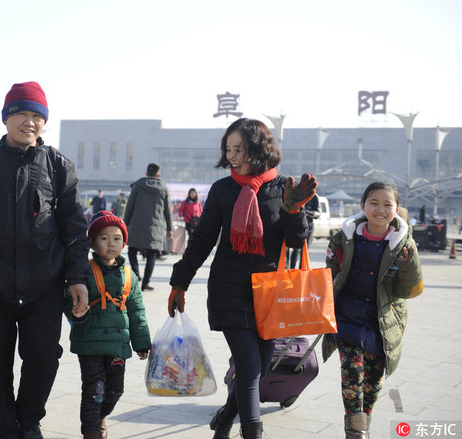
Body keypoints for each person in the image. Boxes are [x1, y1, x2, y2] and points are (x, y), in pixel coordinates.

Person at [0, 81, 90, 439]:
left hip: (44, 284)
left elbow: (74, 229)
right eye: (21, 114)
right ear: (6, 118)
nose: (29, 121)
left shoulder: (59, 167)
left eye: (37, 115)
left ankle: (29, 423)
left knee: (43, 358)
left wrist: (78, 278)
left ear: (44, 122)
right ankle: (6, 431)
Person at [167, 118, 315, 439]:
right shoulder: (223, 189)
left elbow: (296, 241)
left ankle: (223, 422)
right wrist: (180, 281)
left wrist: (294, 210)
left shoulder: (283, 188)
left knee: (258, 369)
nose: (233, 156)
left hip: (267, 293)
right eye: (229, 149)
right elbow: (203, 239)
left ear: (259, 149)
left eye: (240, 150)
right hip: (228, 289)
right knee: (249, 366)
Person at [322, 182, 423, 439]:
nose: (380, 209)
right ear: (363, 206)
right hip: (347, 318)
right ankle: (355, 433)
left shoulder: (403, 244)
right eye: (374, 203)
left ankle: (362, 427)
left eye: (387, 204)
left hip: (382, 322)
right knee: (352, 376)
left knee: (372, 382)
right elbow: (331, 273)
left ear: (397, 209)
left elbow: (408, 289)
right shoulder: (344, 237)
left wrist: (408, 259)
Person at [65, 211, 151, 439]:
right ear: (92, 242)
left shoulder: (129, 274)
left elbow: (137, 311)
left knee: (115, 391)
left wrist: (141, 342)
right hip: (89, 344)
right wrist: (79, 315)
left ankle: (100, 417)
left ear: (124, 242)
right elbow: (70, 303)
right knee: (94, 391)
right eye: (104, 238)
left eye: (117, 238)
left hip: (117, 346)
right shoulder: (84, 271)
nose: (111, 243)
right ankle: (91, 432)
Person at [124, 163, 173, 291]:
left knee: (132, 250)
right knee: (152, 255)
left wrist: (125, 223)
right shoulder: (163, 187)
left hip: (136, 224)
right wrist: (169, 229)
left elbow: (130, 206)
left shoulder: (138, 185)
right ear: (158, 174)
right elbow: (168, 210)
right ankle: (145, 284)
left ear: (146, 173)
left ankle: (136, 274)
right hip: (155, 227)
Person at [289, 193, 320, 268]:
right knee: (295, 250)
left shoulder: (314, 196)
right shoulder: (297, 194)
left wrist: (313, 214)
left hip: (308, 226)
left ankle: (302, 270)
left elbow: (318, 213)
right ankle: (292, 269)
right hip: (297, 225)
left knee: (304, 251)